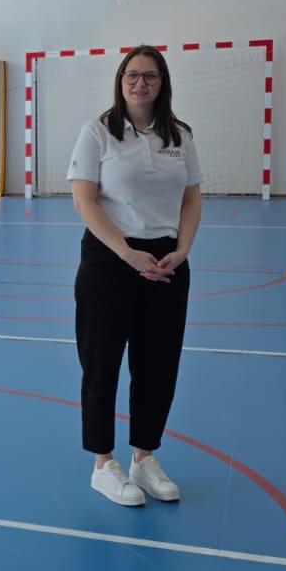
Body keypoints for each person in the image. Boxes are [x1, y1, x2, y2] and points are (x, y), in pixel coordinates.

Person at [68, 45, 203, 507]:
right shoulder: (97, 132)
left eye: (149, 75)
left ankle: (144, 458)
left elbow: (191, 199)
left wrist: (182, 250)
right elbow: (84, 201)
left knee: (158, 365)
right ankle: (103, 465)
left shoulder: (180, 135)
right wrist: (127, 254)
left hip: (166, 263)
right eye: (132, 75)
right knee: (101, 364)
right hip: (110, 260)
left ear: (162, 83)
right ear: (120, 81)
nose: (140, 83)